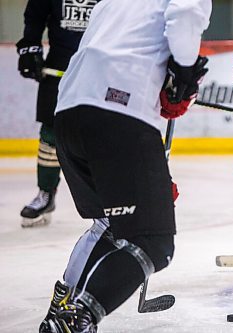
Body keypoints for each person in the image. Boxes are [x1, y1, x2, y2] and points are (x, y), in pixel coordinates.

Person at [38, 0, 211, 332]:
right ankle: (74, 321)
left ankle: (64, 305)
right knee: (153, 242)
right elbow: (186, 13)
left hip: (69, 113)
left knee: (108, 223)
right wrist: (184, 71)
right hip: (117, 110)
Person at [16, 0, 101, 228]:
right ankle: (45, 193)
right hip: (60, 66)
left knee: (104, 131)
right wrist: (30, 48)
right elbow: (35, 15)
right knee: (51, 134)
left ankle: (110, 198)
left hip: (102, 66)